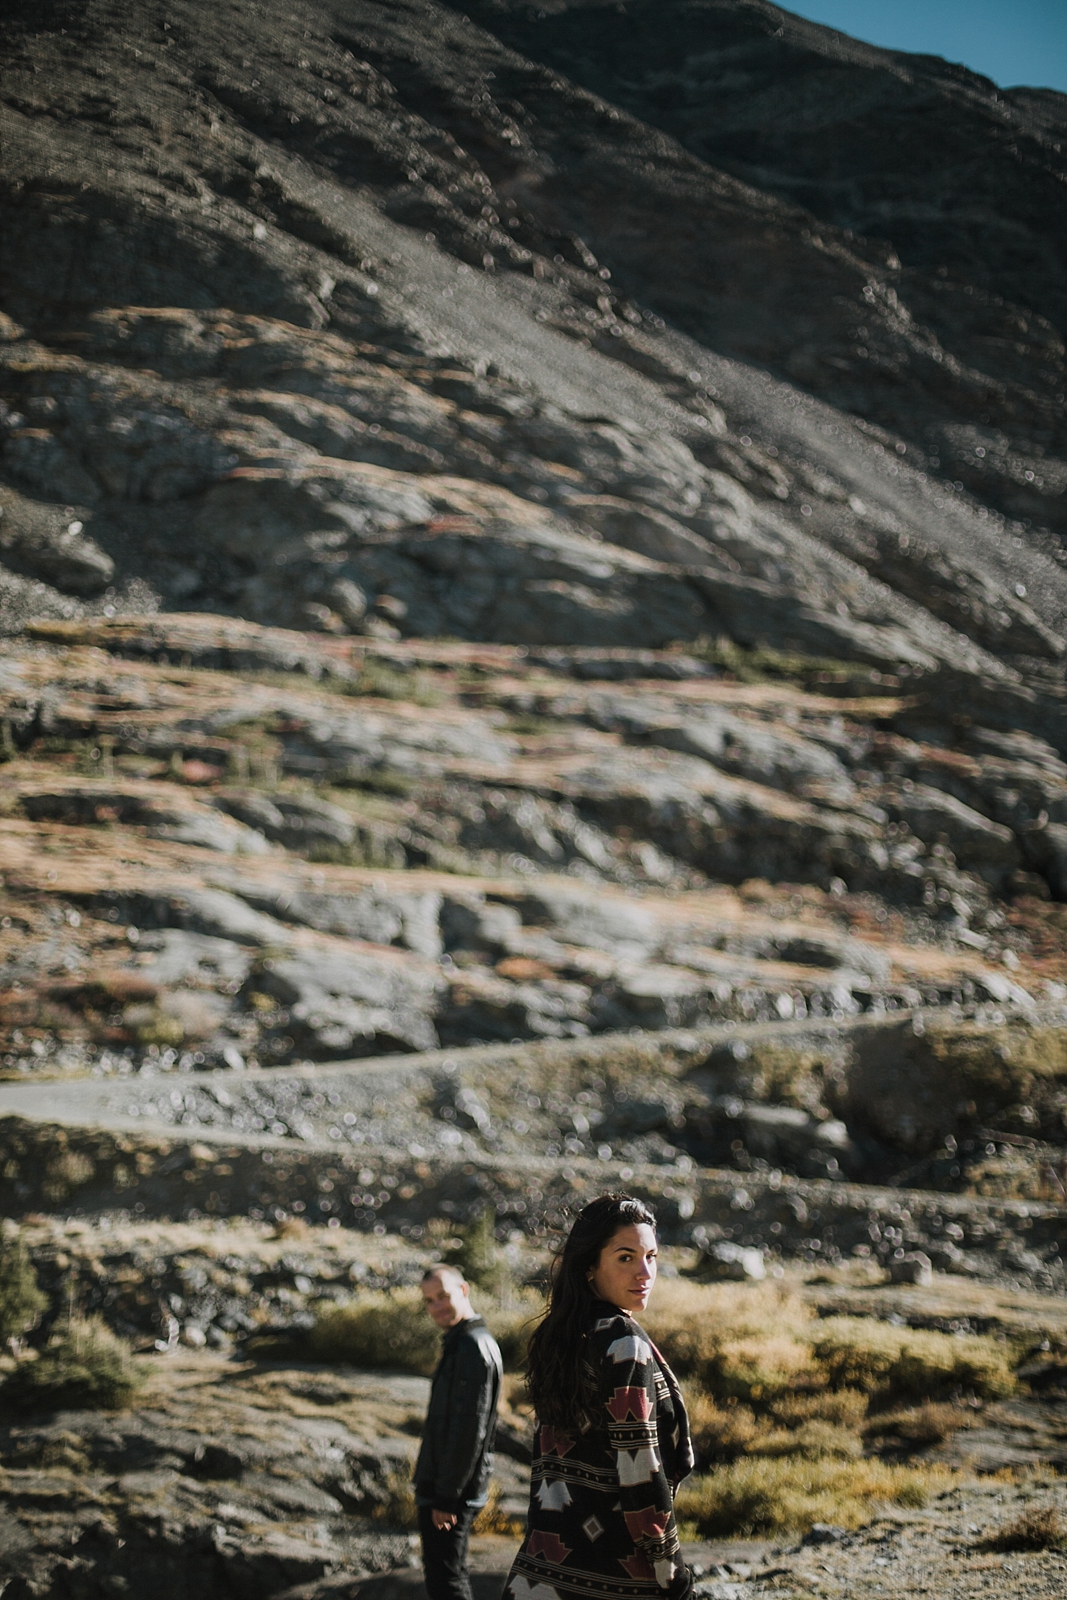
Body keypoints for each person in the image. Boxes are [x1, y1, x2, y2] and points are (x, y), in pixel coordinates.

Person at [506, 1195, 694, 1600]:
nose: (644, 1272)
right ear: (590, 1267)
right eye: (625, 1257)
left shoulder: (563, 1337)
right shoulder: (624, 1344)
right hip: (615, 1579)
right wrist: (673, 1573)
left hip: (540, 1576)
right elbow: (641, 1475)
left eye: (651, 1256)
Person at [415, 1263, 504, 1600]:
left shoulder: (472, 1347)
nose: (437, 1306)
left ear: (463, 1291)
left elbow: (470, 1428)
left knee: (447, 1582)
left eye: (443, 1296)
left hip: (449, 1492)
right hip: (444, 1486)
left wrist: (447, 1496)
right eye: (429, 1301)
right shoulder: (463, 1342)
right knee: (445, 1577)